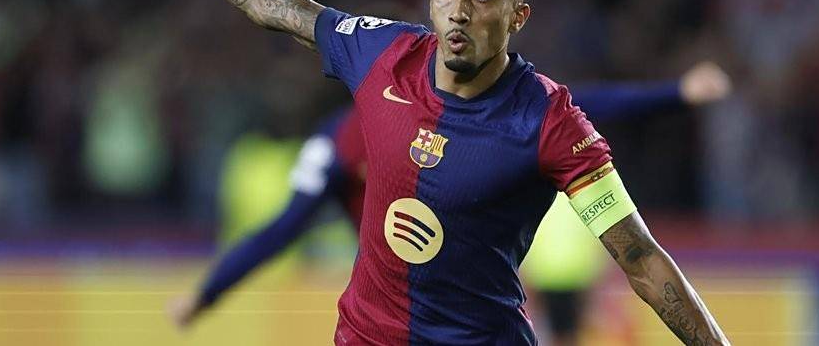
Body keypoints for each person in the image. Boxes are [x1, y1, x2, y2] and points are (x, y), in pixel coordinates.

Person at [104, 0, 730, 345]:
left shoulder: (551, 121)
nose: (459, 10)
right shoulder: (383, 54)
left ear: (519, 17)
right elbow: (280, 6)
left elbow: (640, 257)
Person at [168, 63, 732, 329]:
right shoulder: (341, 140)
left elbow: (575, 109)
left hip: (476, 308)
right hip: (401, 314)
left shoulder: (464, 111)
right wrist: (209, 293)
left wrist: (675, 93)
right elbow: (284, 229)